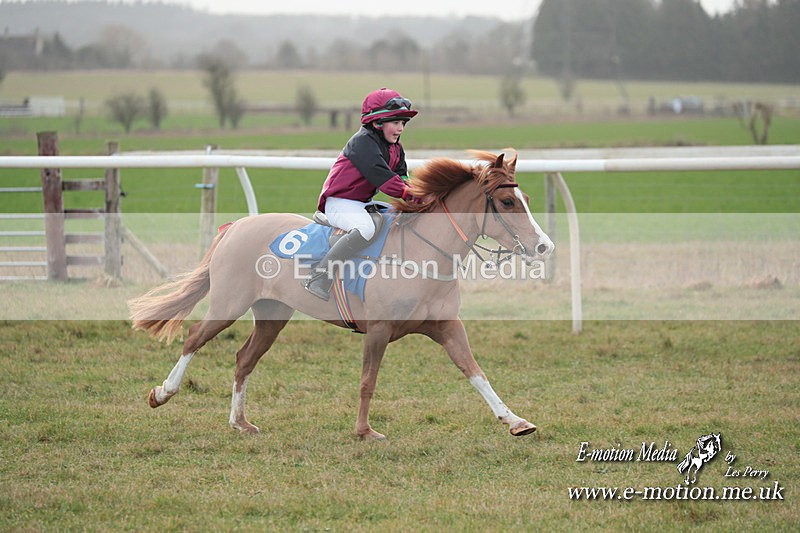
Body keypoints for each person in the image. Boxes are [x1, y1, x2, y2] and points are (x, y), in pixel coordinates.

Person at [305, 87, 418, 300]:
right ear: (377, 123)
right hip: (339, 202)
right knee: (366, 228)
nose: (400, 128)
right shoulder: (363, 143)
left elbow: (402, 177)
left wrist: (417, 194)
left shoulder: (395, 147)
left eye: (403, 123)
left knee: (394, 219)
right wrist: (416, 196)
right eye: (395, 122)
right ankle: (320, 275)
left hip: (360, 202)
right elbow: (387, 181)